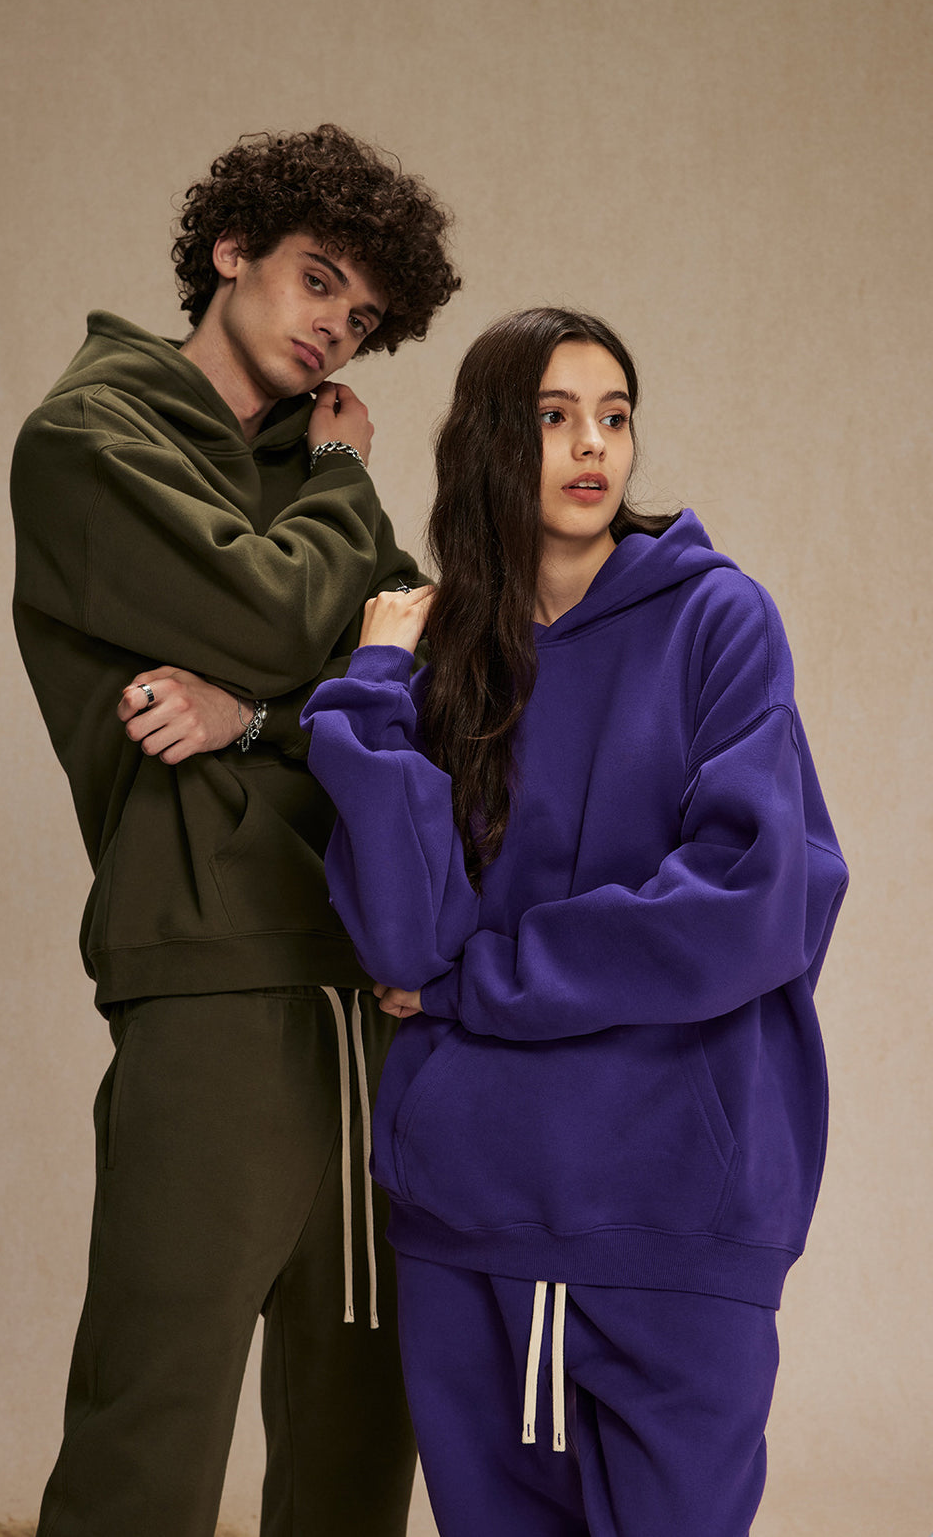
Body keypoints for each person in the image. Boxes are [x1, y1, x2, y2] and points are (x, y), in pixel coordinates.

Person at [296, 308, 849, 1536]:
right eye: (554, 417)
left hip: (670, 1203)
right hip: (469, 1205)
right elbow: (402, 943)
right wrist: (377, 686)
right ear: (490, 442)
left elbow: (754, 898)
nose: (593, 444)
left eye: (613, 415)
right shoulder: (444, 656)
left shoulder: (715, 619)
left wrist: (475, 980)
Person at [10, 124, 460, 1537]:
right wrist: (341, 493)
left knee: (358, 1424)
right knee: (154, 1421)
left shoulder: (302, 478)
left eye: (362, 318)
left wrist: (255, 712)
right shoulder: (87, 441)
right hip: (208, 970)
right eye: (318, 280)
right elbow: (276, 615)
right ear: (231, 250)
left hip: (369, 984)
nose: (334, 328)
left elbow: (420, 696)